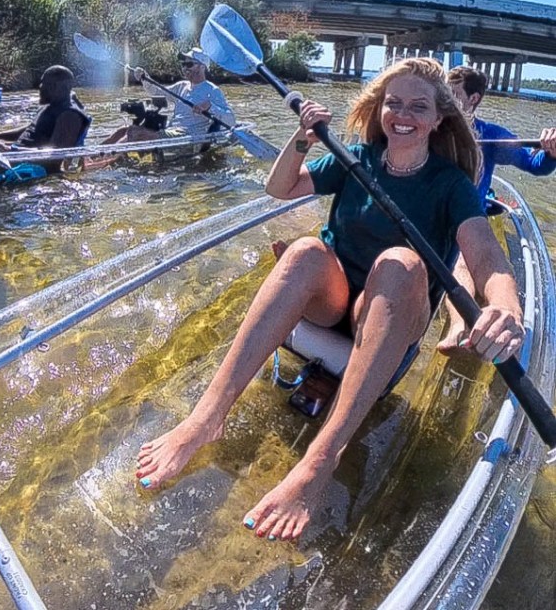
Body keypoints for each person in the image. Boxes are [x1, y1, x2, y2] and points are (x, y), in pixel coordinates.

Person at [135, 58, 524, 542]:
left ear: (439, 118)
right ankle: (205, 418)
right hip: (333, 303)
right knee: (303, 250)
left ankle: (320, 461)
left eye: (418, 106)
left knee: (400, 262)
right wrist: (302, 140)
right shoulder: (356, 157)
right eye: (393, 103)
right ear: (379, 108)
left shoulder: (451, 185)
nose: (403, 115)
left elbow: (488, 259)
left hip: (388, 317)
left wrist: (506, 308)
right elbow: (279, 189)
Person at [436, 65, 556, 352]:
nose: (444, 102)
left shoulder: (491, 136)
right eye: (442, 94)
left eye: (452, 95)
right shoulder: (429, 127)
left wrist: (551, 151)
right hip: (428, 214)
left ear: (473, 99)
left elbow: (534, 164)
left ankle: (460, 327)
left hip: (466, 221)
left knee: (460, 261)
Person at [103, 48, 235, 144]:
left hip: (188, 136)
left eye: (189, 64)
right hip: (172, 130)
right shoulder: (181, 86)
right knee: (124, 130)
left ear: (202, 67)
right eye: (183, 64)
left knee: (135, 132)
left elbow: (230, 119)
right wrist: (144, 77)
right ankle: (93, 155)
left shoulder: (212, 90)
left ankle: (108, 159)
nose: (185, 68)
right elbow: (157, 92)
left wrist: (209, 106)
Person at [0, 65, 91, 174]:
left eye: (44, 83)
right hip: (14, 160)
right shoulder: (51, 107)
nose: (40, 87)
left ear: (57, 87)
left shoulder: (69, 116)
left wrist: (11, 150)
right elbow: (32, 127)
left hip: (29, 170)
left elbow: (54, 156)